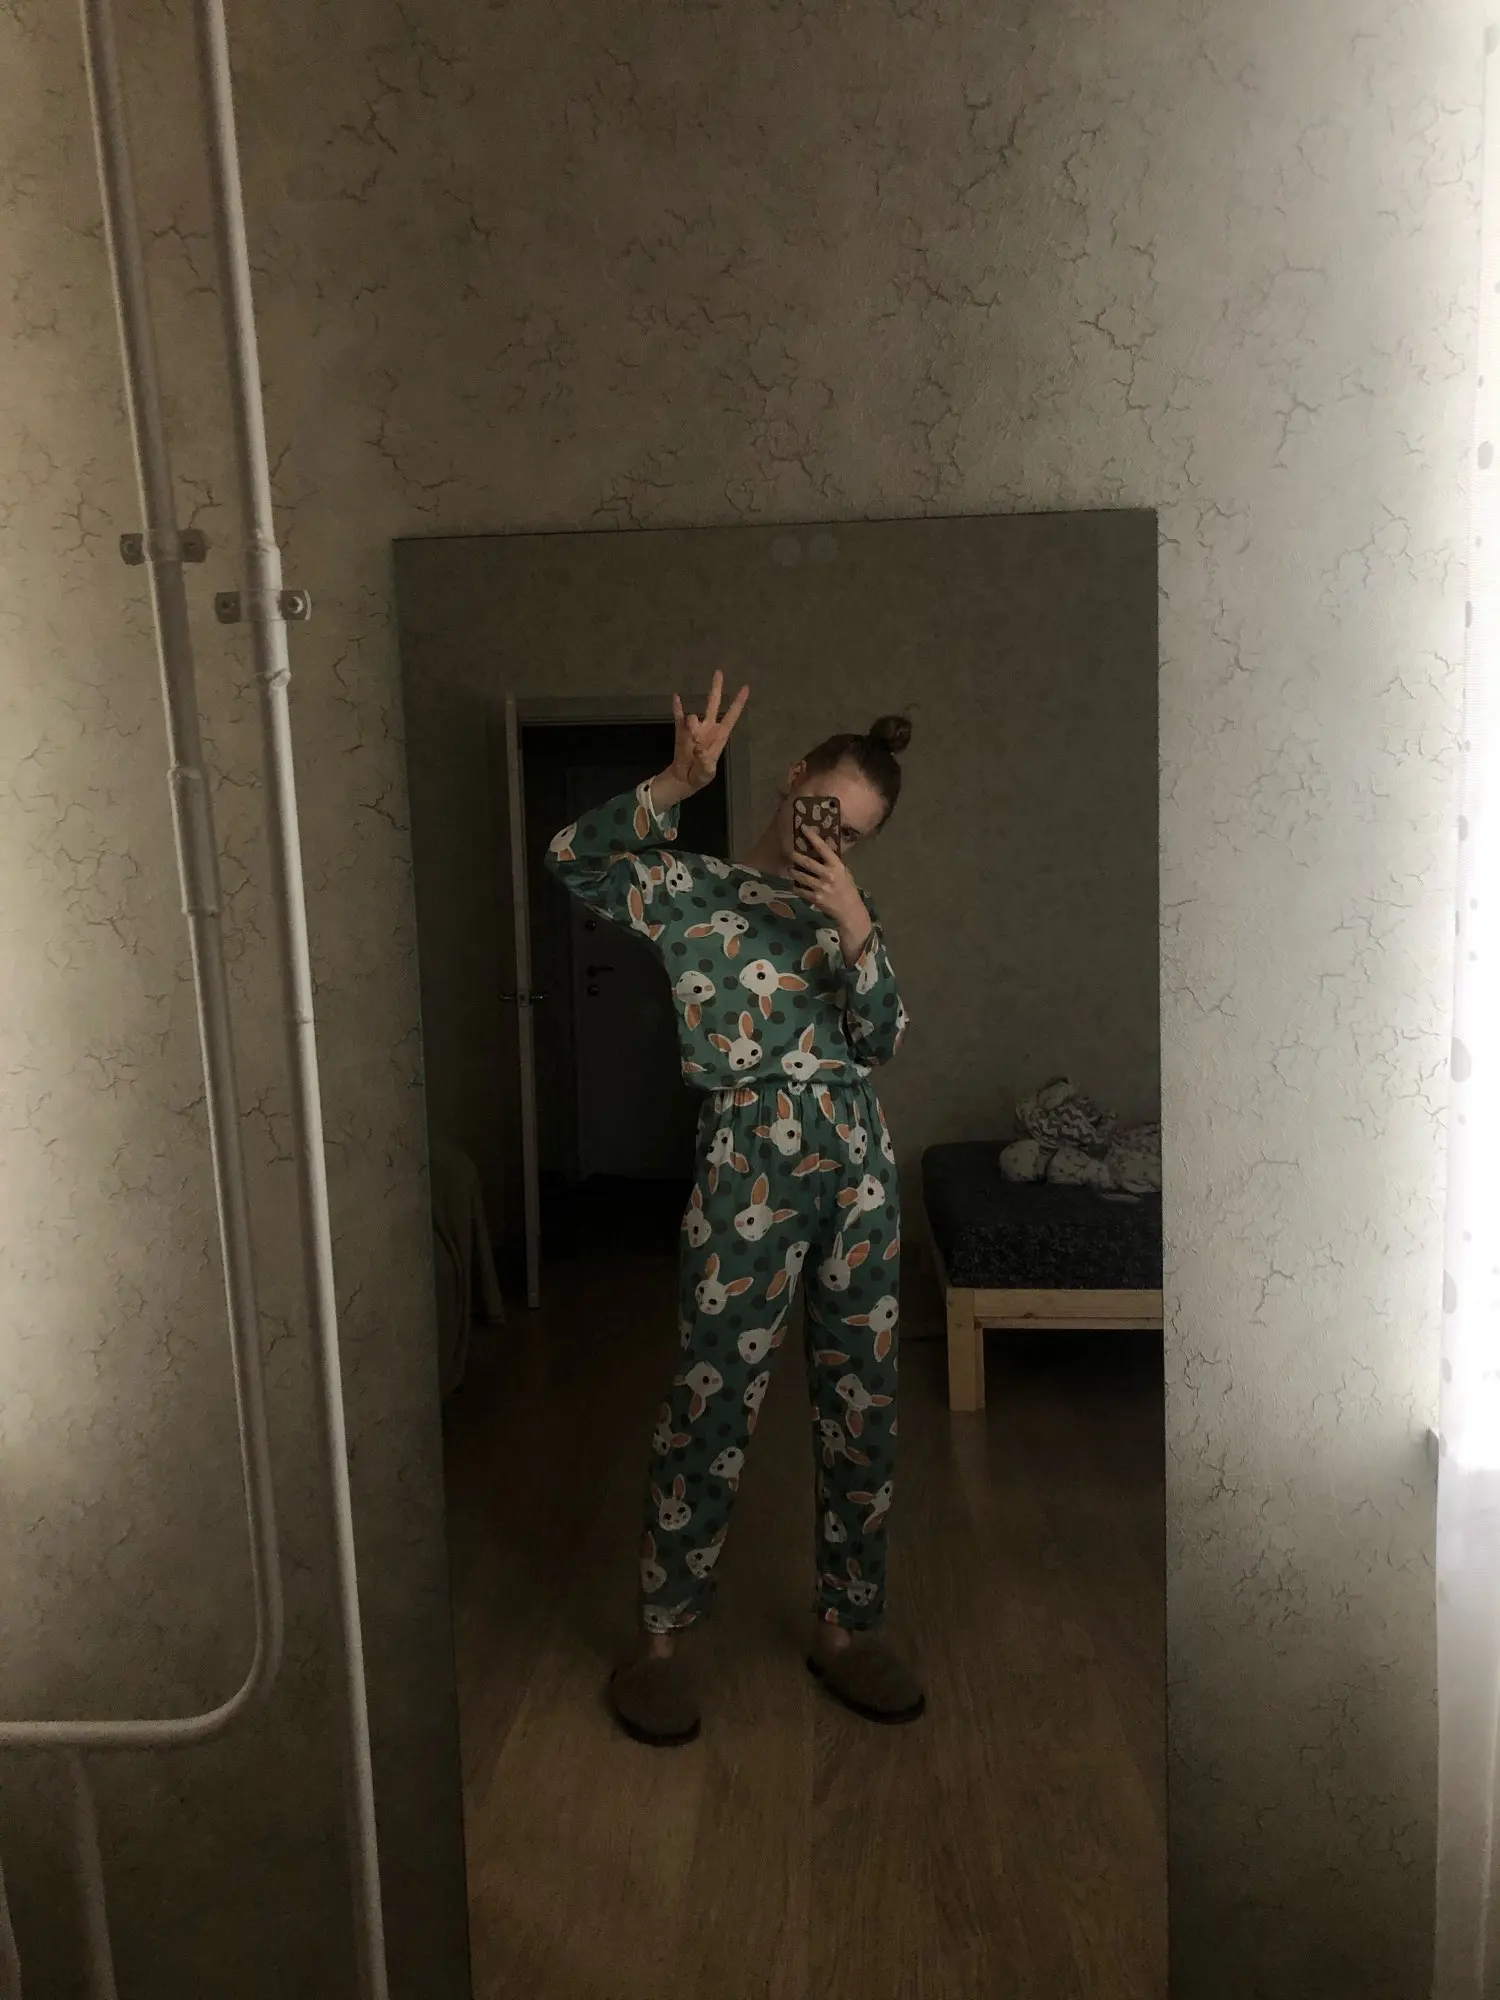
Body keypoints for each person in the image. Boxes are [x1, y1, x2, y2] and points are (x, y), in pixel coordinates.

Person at [546, 672, 922, 1746]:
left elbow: (883, 1038)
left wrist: (856, 926)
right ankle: (662, 1642)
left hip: (857, 1156)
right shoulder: (690, 888)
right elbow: (573, 859)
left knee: (863, 1402)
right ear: (795, 778)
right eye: (825, 811)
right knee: (710, 1396)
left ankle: (848, 1627)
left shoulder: (848, 914)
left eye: (854, 834)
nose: (832, 838)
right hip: (746, 1153)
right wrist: (675, 782)